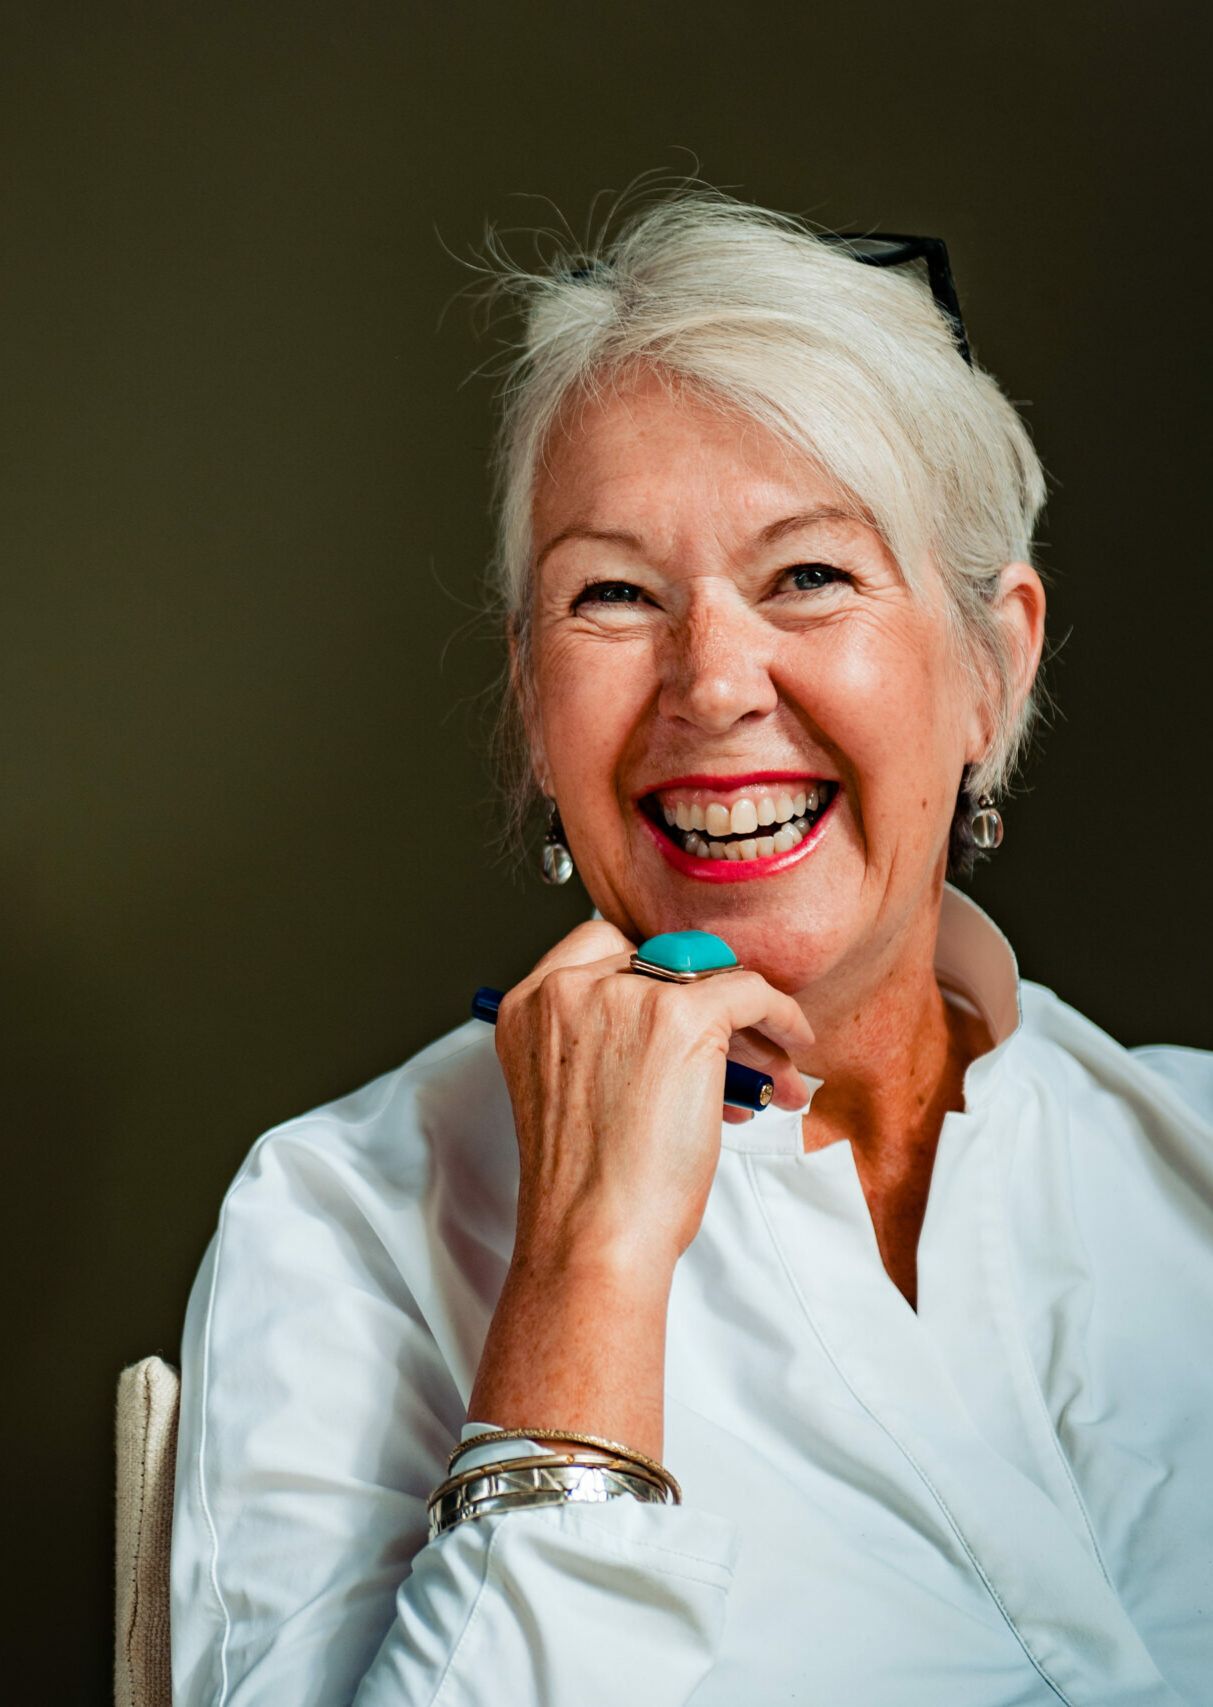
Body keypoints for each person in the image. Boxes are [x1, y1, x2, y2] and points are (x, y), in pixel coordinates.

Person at [167, 194, 1213, 1705]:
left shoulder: (1192, 1154)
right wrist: (584, 1270)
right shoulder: (344, 1226)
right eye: (613, 595)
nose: (713, 684)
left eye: (810, 576)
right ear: (534, 704)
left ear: (994, 665)